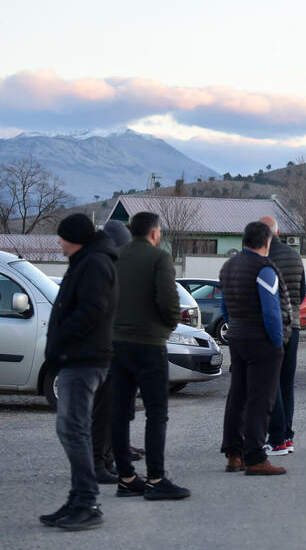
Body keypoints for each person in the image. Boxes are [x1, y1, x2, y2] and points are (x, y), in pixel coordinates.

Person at [40, 214, 118, 530]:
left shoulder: (95, 264)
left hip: (85, 359)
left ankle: (87, 502)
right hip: (79, 358)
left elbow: (91, 310)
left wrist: (62, 340)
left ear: (74, 237)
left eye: (61, 236)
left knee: (73, 430)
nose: (58, 242)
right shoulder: (86, 260)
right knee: (72, 430)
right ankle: (78, 498)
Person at [110, 212, 190, 500]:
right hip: (149, 344)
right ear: (155, 233)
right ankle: (156, 479)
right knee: (156, 413)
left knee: (119, 413)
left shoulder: (116, 256)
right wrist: (167, 327)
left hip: (117, 344)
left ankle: (126, 477)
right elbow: (170, 302)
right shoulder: (159, 259)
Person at [219, 221, 292, 476]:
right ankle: (256, 456)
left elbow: (224, 307)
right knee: (261, 400)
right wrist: (277, 342)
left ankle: (233, 453)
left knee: (237, 396)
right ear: (267, 242)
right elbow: (271, 311)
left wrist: (235, 326)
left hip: (237, 337)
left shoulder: (228, 267)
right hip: (261, 341)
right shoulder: (264, 269)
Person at [89, 219, 131, 484]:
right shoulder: (101, 268)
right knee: (103, 409)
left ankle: (108, 459)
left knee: (112, 407)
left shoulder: (107, 266)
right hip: (105, 348)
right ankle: (97, 462)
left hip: (112, 346)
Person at [260, 215, 304, 457]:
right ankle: (287, 436)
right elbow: (301, 292)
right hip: (294, 325)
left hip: (272, 326)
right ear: (277, 232)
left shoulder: (263, 258)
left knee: (271, 383)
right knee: (287, 383)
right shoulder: (295, 255)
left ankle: (276, 438)